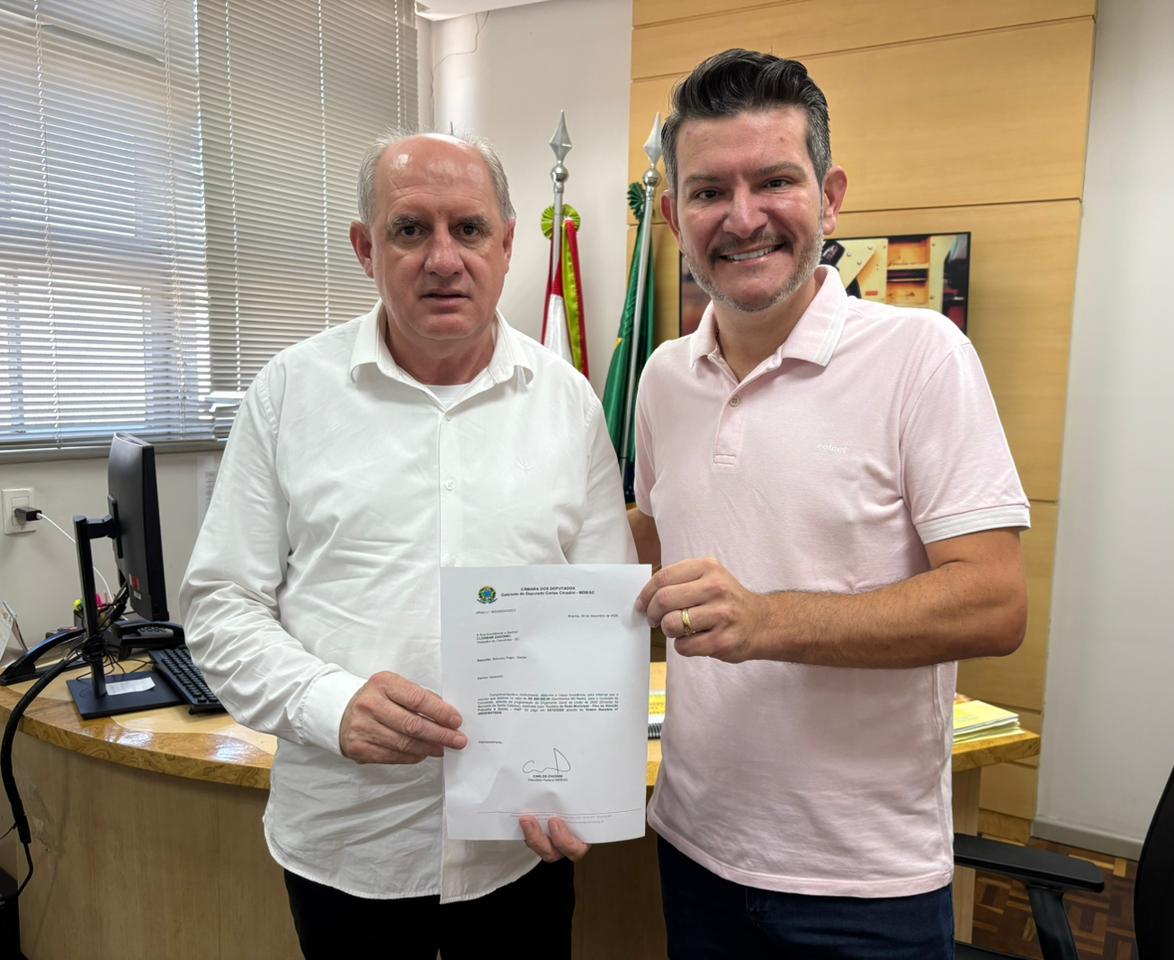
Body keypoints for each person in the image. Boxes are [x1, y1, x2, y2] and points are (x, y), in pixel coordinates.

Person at [179, 132, 632, 958]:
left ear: (507, 243)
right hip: (350, 849)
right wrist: (330, 703)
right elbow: (220, 606)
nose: (443, 259)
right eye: (411, 230)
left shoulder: (569, 404)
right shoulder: (288, 394)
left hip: (518, 848)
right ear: (366, 248)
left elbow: (602, 616)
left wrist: (583, 779)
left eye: (469, 229)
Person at [630, 49, 1030, 959]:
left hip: (862, 884)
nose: (743, 218)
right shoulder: (663, 378)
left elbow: (993, 601)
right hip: (693, 845)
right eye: (708, 191)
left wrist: (767, 620)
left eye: (774, 181)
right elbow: (656, 536)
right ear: (674, 216)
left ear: (831, 195)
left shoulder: (922, 357)